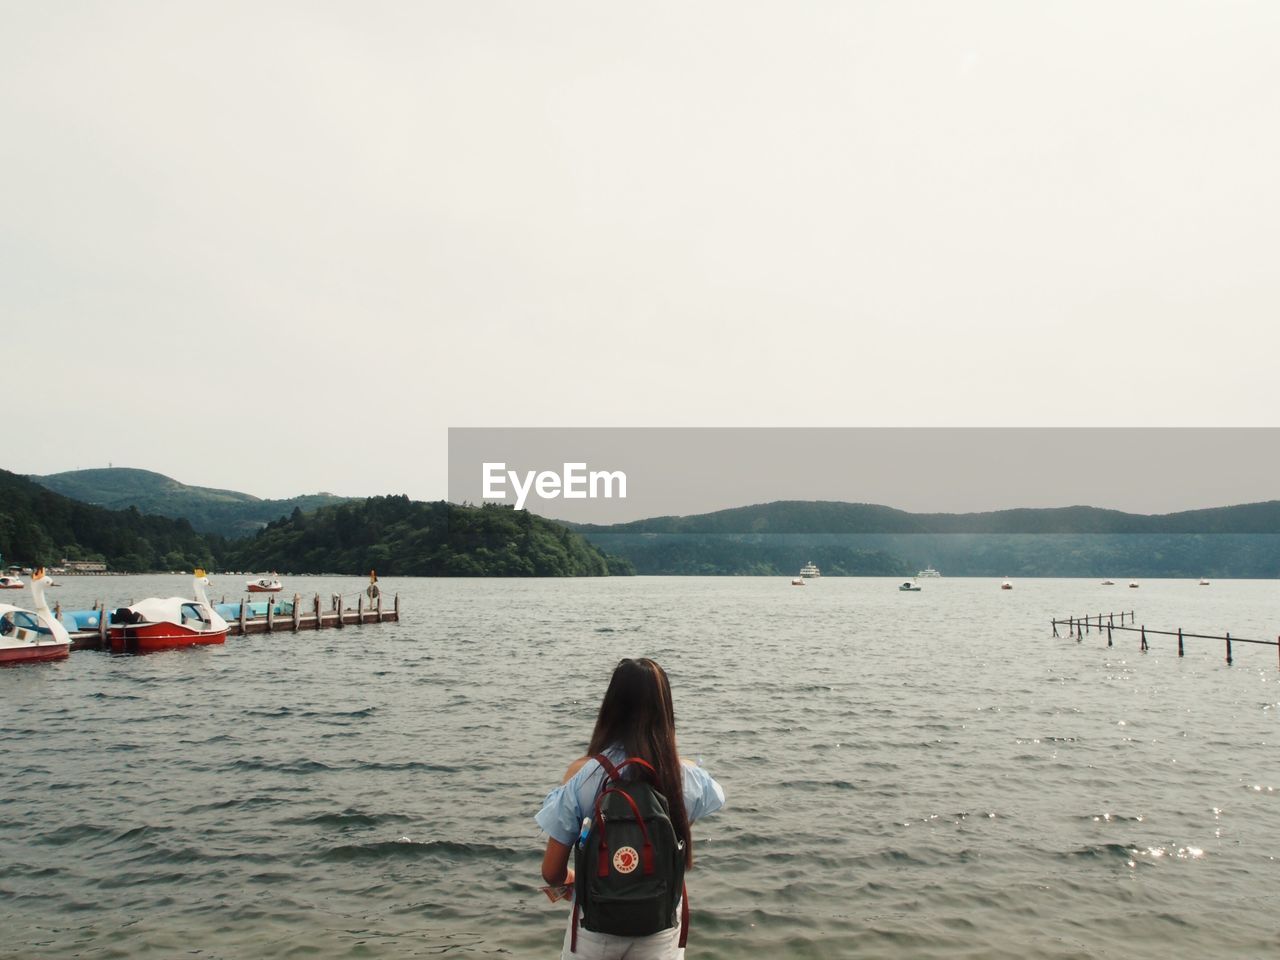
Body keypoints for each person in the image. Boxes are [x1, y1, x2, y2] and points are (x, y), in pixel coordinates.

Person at [536, 657, 725, 959]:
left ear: (611, 706)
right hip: (661, 928)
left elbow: (551, 873)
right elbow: (715, 797)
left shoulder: (582, 775)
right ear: (665, 709)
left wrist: (575, 878)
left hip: (594, 929)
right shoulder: (684, 778)